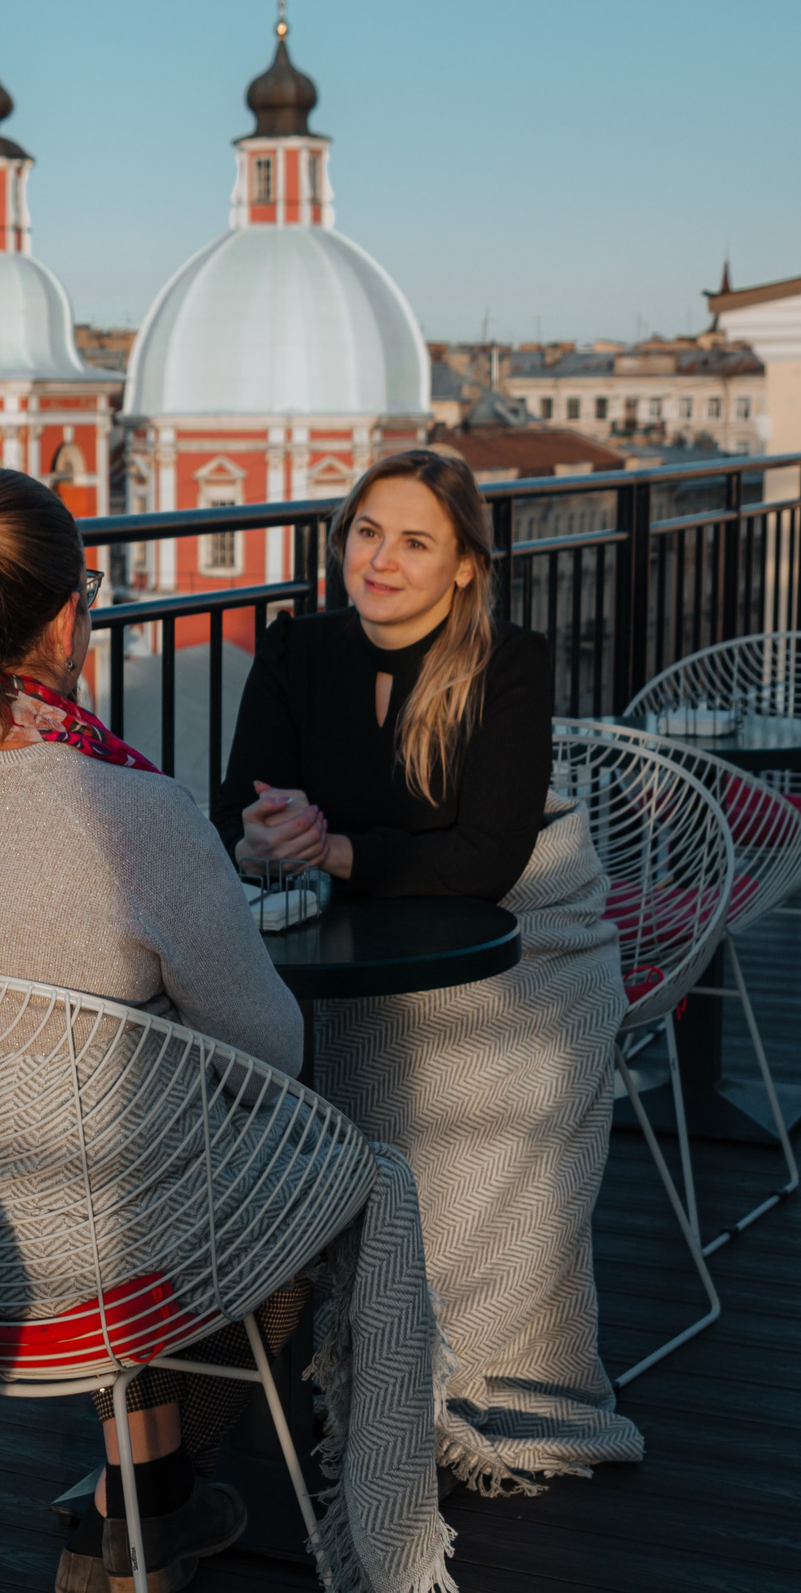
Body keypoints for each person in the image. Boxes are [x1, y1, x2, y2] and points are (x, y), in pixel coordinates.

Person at [0, 468, 306, 1593]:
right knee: (319, 1174)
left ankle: (150, 1503)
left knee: (128, 1148)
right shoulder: (129, 813)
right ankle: (153, 1506)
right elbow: (272, 1055)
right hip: (94, 1271)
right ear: (72, 619)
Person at [214, 447, 642, 1492]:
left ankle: (445, 1369)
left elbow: (490, 859)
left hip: (513, 948)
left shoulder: (508, 662)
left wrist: (341, 852)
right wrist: (266, 838)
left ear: (461, 566)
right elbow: (238, 806)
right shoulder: (295, 650)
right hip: (348, 938)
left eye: (414, 541)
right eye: (367, 532)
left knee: (470, 1093)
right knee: (233, 1063)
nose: (382, 559)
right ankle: (300, 1319)